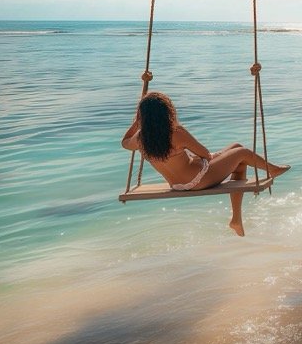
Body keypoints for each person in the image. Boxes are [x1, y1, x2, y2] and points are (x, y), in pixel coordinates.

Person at [121, 91, 289, 236]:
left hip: (177, 184)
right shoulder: (176, 132)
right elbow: (204, 153)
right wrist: (201, 158)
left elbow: (124, 142)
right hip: (198, 179)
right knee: (242, 154)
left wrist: (137, 122)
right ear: (166, 112)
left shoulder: (141, 138)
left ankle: (236, 220)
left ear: (143, 117)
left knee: (236, 148)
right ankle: (272, 170)